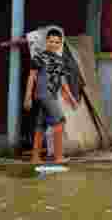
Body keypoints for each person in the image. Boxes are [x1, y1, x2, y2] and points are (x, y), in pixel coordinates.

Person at [24, 27, 78, 164]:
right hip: (44, 94)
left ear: (60, 44)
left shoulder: (60, 60)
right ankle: (58, 157)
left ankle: (35, 158)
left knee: (41, 125)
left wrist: (71, 98)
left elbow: (62, 81)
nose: (53, 44)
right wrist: (27, 97)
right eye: (51, 41)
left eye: (57, 42)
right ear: (46, 41)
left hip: (51, 96)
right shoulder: (39, 57)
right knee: (60, 122)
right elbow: (32, 77)